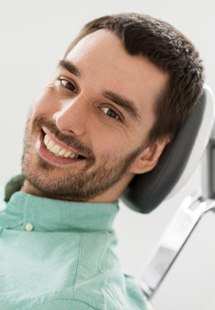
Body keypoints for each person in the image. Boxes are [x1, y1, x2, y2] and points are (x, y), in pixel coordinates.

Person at [0, 13, 203, 310]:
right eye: (67, 84)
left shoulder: (71, 301)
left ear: (148, 154)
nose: (63, 118)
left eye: (110, 112)